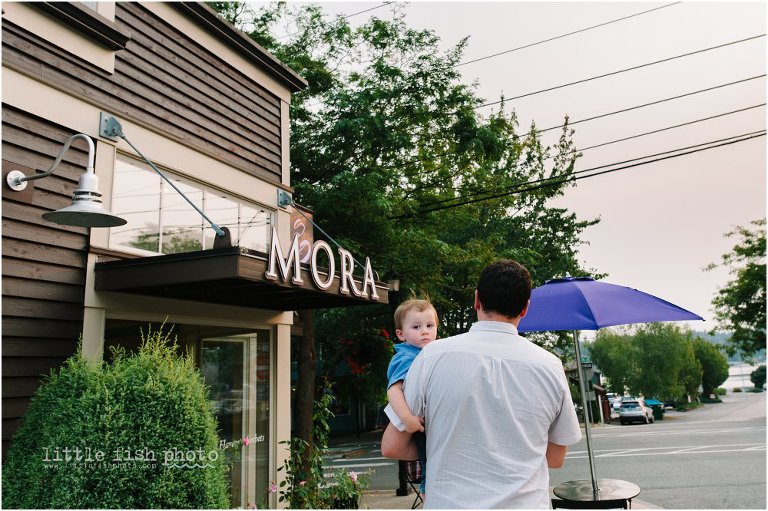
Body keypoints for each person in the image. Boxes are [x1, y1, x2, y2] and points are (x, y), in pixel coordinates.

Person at [381, 260, 581, 509]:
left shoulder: (431, 357)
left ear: (477, 300)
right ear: (525, 308)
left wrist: (441, 448)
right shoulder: (550, 366)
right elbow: (555, 458)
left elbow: (392, 447)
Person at [384, 299, 438, 492]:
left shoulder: (430, 353)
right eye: (416, 327)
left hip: (425, 419)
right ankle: (427, 494)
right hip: (416, 422)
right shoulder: (406, 357)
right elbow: (394, 390)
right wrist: (408, 419)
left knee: (431, 460)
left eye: (430, 326)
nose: (425, 331)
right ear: (400, 334)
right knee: (430, 467)